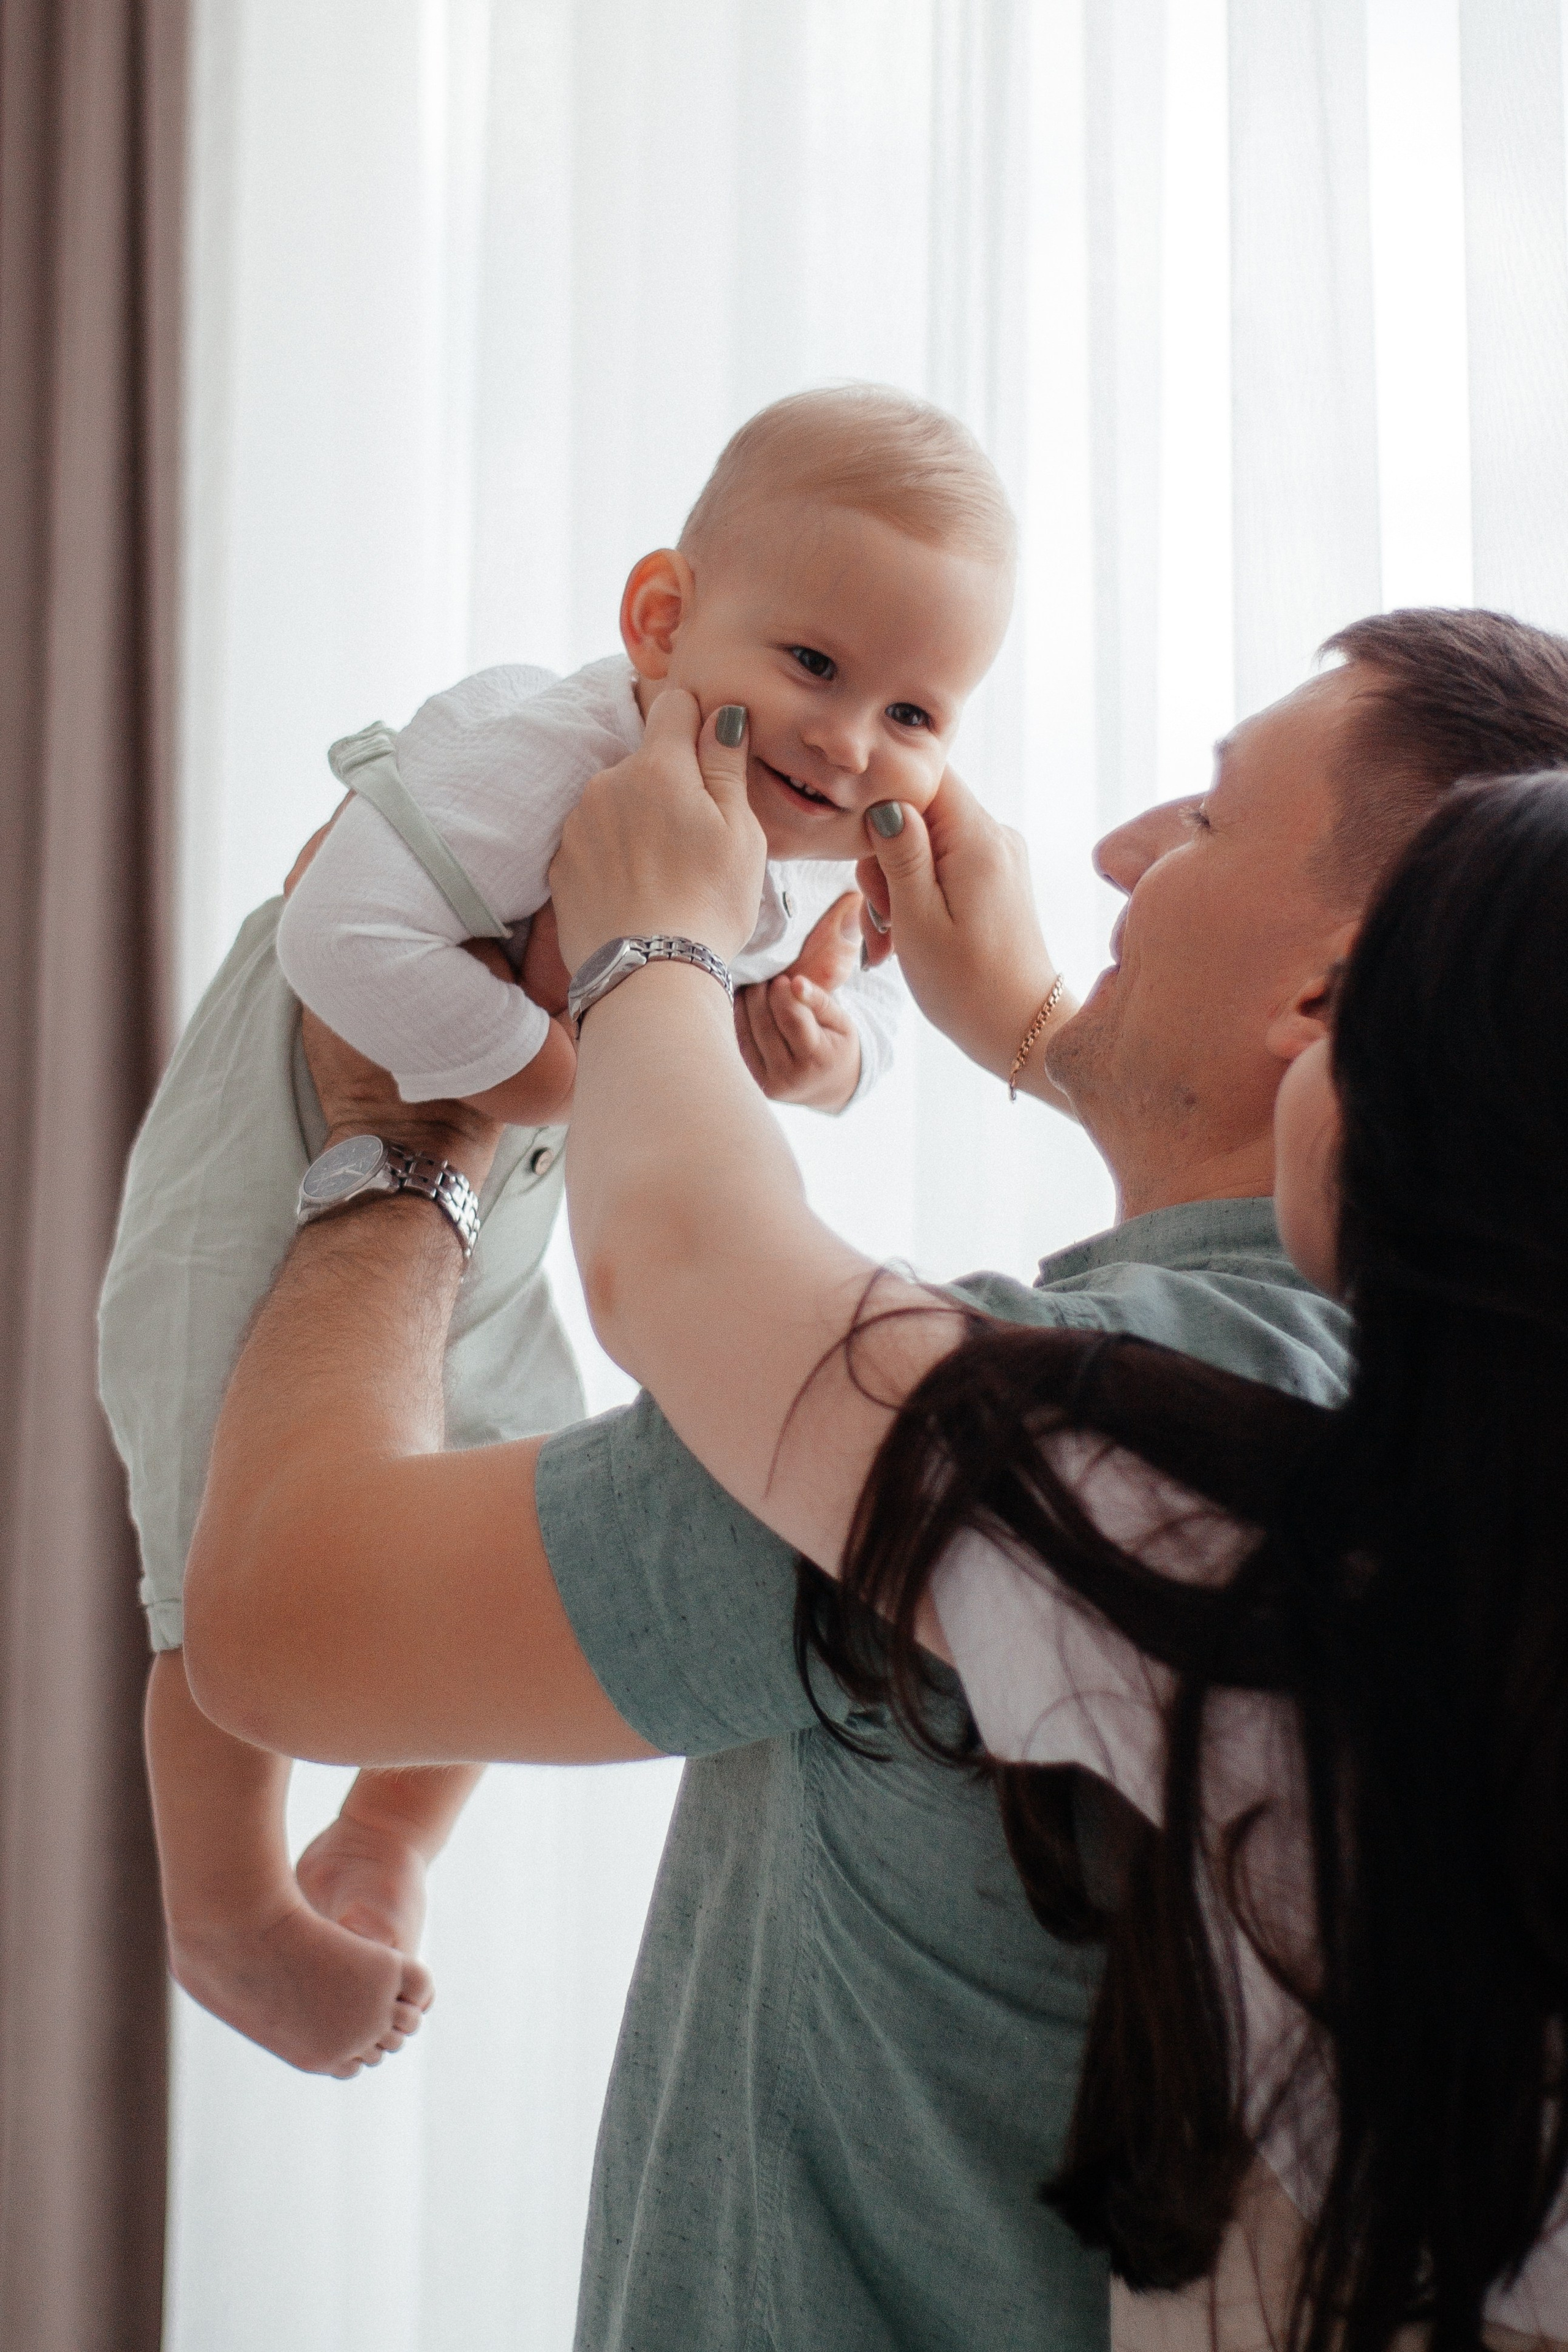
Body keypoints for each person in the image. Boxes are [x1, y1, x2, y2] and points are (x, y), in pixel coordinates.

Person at [183, 610, 1568, 2352]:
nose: (1118, 849)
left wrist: (422, 1125)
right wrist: (1071, 1039)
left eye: (1208, 820)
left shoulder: (1109, 1446)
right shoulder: (1406, 1434)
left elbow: (279, 1613)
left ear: (1336, 1004)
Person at [102, 381, 1013, 2079]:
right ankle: (222, 1908)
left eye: (917, 711)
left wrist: (818, 1060)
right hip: (289, 1128)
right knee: (225, 1535)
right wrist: (541, 1063)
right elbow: (339, 939)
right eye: (811, 667)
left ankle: (388, 1840)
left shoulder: (806, 835)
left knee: (511, 1463)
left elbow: (762, 1006)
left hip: (487, 1181)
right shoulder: (546, 756)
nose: (851, 744)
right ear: (662, 623)